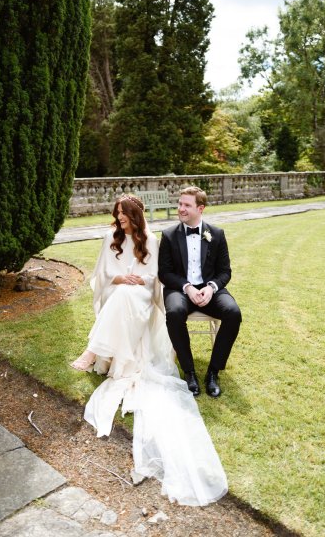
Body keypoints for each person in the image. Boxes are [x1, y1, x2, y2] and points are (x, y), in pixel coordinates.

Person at [71, 193, 228, 506]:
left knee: (129, 297)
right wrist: (119, 277)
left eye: (124, 216)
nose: (120, 221)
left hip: (141, 293)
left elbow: (155, 278)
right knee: (119, 296)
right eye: (117, 215)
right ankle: (94, 351)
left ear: (135, 216)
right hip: (118, 289)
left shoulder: (152, 240)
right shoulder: (109, 237)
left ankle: (93, 351)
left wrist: (135, 279)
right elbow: (100, 275)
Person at [158, 186, 242, 398]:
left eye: (187, 205)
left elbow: (225, 272)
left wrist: (211, 288)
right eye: (180, 204)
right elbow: (165, 273)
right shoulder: (168, 235)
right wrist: (187, 287)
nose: (181, 209)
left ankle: (213, 372)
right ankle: (190, 372)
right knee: (175, 313)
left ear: (200, 208)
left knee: (233, 313)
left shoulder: (217, 234)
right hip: (180, 289)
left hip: (209, 289)